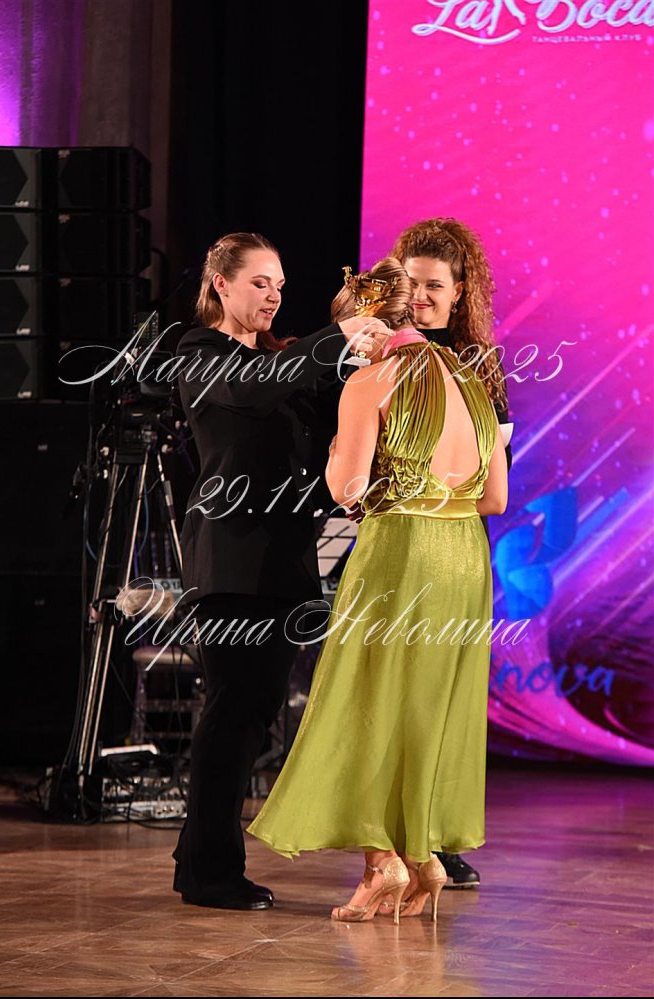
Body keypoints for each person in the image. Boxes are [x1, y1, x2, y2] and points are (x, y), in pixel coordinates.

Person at [246, 257, 508, 923]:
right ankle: (423, 857)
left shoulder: (372, 380)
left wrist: (341, 446)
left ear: (369, 326)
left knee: (364, 699)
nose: (349, 352)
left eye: (351, 338)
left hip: (402, 549)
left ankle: (381, 863)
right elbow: (495, 498)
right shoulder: (470, 379)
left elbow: (346, 489)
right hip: (465, 555)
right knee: (426, 708)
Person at [171, 232, 393, 910]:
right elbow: (257, 390)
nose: (272, 296)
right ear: (220, 283)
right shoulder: (200, 354)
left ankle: (199, 854)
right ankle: (210, 870)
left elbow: (324, 431)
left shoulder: (283, 362)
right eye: (260, 282)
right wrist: (336, 336)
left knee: (255, 708)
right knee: (236, 706)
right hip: (231, 562)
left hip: (285, 560)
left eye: (280, 286)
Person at [390, 216, 512, 888]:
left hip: (458, 550)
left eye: (434, 285)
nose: (420, 297)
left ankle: (436, 835)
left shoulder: (482, 367)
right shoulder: (381, 355)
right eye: (410, 283)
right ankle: (393, 839)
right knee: (397, 697)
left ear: (461, 291)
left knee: (449, 699)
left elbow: (497, 484)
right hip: (396, 548)